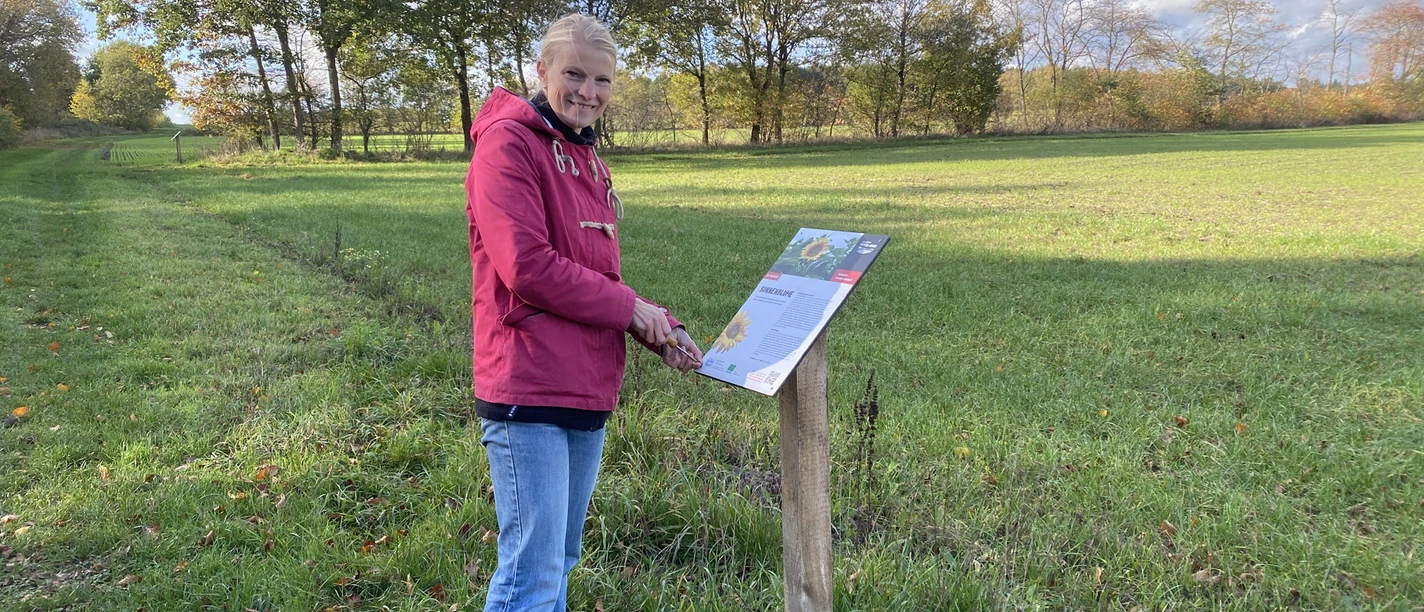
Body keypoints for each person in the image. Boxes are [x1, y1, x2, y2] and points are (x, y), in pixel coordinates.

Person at [463, 13, 704, 612]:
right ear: (541, 70)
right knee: (532, 574)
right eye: (573, 74)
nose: (587, 93)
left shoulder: (585, 154)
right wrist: (632, 310)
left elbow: (599, 278)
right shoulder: (509, 145)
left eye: (602, 81)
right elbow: (528, 267)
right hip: (531, 385)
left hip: (586, 384)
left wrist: (658, 328)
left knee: (558, 560)